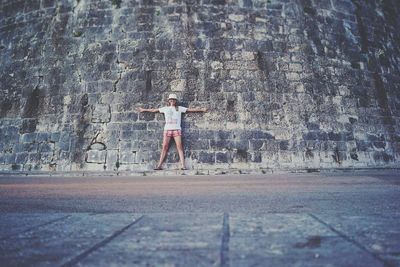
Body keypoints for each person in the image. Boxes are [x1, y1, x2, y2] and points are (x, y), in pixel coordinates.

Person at [137, 93, 207, 170]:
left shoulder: (179, 108)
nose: (172, 101)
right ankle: (159, 166)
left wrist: (202, 109)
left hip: (177, 130)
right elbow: (154, 110)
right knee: (164, 147)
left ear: (175, 101)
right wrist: (144, 110)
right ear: (169, 101)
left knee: (179, 147)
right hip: (167, 129)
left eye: (173, 100)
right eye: (171, 100)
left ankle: (183, 166)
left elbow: (190, 110)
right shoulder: (165, 108)